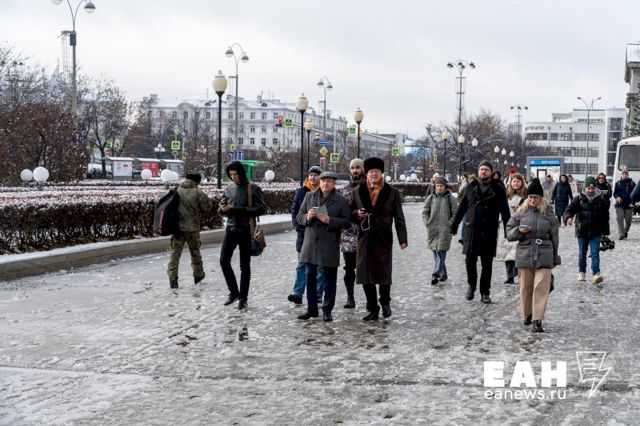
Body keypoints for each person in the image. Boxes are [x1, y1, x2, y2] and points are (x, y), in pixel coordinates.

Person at [351, 157, 408, 320]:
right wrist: (357, 214)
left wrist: (402, 238)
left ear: (381, 173)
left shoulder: (392, 192)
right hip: (365, 238)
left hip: (383, 238)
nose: (374, 174)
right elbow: (349, 212)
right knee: (365, 275)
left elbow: (399, 218)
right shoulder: (358, 191)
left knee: (383, 274)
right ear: (367, 173)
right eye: (371, 171)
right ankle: (372, 308)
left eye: (376, 171)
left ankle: (385, 302)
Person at [450, 160, 511, 303]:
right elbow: (461, 208)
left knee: (487, 264)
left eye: (486, 169)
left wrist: (508, 231)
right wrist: (453, 226)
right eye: (481, 169)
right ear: (478, 171)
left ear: (491, 172)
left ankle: (485, 292)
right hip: (472, 229)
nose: (483, 172)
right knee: (469, 261)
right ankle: (471, 285)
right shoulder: (470, 187)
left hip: (489, 230)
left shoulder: (498, 189)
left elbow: (505, 212)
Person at [506, 178, 560, 333]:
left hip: (544, 253)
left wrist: (555, 255)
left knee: (541, 287)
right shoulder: (520, 213)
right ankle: (528, 313)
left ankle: (538, 319)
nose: (532, 200)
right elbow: (509, 233)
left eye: (536, 197)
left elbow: (555, 237)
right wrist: (518, 231)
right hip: (525, 252)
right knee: (526, 287)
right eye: (530, 197)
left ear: (541, 198)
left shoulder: (549, 214)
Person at [296, 172, 351, 322]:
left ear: (334, 183)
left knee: (329, 280)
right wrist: (307, 217)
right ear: (319, 182)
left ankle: (327, 310)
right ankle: (311, 309)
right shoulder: (309, 196)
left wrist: (329, 220)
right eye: (323, 181)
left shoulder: (341, 201)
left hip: (329, 244)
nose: (326, 184)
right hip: (311, 244)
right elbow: (299, 217)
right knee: (310, 277)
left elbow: (347, 222)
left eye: (329, 181)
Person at [219, 161, 266, 310]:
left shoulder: (253, 188)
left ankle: (243, 298)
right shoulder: (229, 189)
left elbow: (262, 209)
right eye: (231, 174)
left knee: (244, 266)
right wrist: (222, 209)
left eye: (236, 174)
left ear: (241, 173)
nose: (233, 177)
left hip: (246, 230)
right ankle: (234, 292)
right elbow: (222, 207)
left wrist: (240, 210)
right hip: (231, 229)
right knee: (223, 261)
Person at [167, 173, 213, 289]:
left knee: (175, 254)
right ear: (197, 182)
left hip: (177, 228)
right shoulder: (198, 192)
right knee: (195, 252)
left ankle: (173, 278)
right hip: (192, 228)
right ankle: (198, 275)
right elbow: (207, 208)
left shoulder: (176, 190)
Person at [287, 166, 325, 304]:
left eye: (315, 175)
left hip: (320, 234)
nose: (313, 177)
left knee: (320, 266)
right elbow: (294, 211)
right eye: (311, 175)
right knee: (301, 265)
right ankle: (298, 293)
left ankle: (318, 294)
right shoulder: (301, 192)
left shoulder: (324, 191)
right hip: (303, 233)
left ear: (320, 177)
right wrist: (297, 226)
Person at [563, 176, 609, 285]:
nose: (591, 190)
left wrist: (606, 232)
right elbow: (569, 210)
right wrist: (568, 218)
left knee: (595, 253)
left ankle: (596, 274)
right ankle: (582, 272)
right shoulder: (578, 199)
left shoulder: (601, 200)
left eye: (592, 188)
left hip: (596, 231)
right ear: (585, 187)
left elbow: (605, 217)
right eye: (589, 188)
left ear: (595, 188)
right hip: (582, 230)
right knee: (582, 253)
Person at [338, 158, 365, 309]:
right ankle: (350, 297)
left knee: (367, 267)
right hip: (348, 236)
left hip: (366, 235)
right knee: (349, 269)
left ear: (363, 169)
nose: (355, 170)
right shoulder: (344, 190)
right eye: (352, 168)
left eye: (358, 167)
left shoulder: (369, 187)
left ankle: (371, 301)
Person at [422, 176, 457, 285]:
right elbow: (425, 212)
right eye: (437, 185)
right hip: (432, 230)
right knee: (436, 254)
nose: (439, 187)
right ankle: (443, 274)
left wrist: (450, 224)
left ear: (445, 186)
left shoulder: (451, 198)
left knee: (441, 252)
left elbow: (455, 214)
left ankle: (435, 274)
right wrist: (427, 223)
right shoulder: (430, 198)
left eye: (441, 185)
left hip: (445, 230)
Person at [496, 173, 526, 284]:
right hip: (506, 225)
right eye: (514, 181)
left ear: (522, 183)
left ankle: (519, 274)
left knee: (518, 252)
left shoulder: (526, 196)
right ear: (510, 183)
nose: (516, 183)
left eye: (518, 181)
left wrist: (519, 210)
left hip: (520, 225)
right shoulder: (505, 195)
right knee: (507, 251)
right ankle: (510, 275)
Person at [613, 169, 636, 240]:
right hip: (620, 205)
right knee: (620, 220)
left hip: (629, 205)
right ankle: (621, 234)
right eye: (623, 174)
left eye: (626, 174)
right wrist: (617, 197)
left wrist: (632, 203)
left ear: (628, 175)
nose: (624, 175)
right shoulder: (618, 183)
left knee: (628, 221)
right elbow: (615, 193)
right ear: (621, 175)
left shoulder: (632, 183)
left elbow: (636, 194)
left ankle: (625, 231)